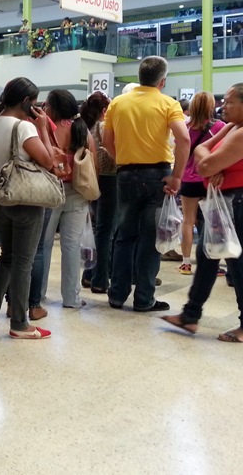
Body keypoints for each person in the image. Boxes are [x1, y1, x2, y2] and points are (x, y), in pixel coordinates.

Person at [162, 83, 243, 342]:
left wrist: (213, 161)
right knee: (208, 256)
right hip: (231, 200)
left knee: (238, 262)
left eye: (230, 101)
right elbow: (199, 155)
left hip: (242, 201)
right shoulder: (235, 127)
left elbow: (203, 165)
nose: (223, 106)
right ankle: (190, 316)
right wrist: (213, 161)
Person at [104, 56, 190, 312]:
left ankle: (117, 295)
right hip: (157, 176)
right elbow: (183, 139)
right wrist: (177, 176)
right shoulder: (168, 103)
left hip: (126, 175)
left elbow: (107, 141)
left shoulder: (118, 103)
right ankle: (144, 298)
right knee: (151, 239)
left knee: (124, 237)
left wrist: (123, 160)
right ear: (162, 81)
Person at [0, 77, 58, 339]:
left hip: (1, 196)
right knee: (23, 262)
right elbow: (48, 161)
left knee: (7, 257)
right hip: (26, 198)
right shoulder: (24, 128)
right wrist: (44, 129)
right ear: (26, 102)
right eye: (34, 103)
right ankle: (20, 323)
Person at [30, 90, 96, 315]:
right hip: (77, 191)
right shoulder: (81, 128)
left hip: (49, 191)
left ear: (53, 107)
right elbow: (92, 159)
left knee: (43, 245)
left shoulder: (46, 127)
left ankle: (37, 295)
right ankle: (72, 298)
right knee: (71, 245)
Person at [177, 92, 226, 275]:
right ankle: (211, 263)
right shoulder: (220, 127)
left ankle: (186, 262)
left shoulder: (184, 127)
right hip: (209, 179)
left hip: (187, 180)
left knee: (188, 221)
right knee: (210, 222)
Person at [80, 91, 115, 294]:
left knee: (97, 229)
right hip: (110, 178)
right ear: (104, 109)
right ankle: (100, 278)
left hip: (94, 180)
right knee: (106, 231)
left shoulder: (86, 127)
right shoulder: (103, 126)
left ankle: (89, 274)